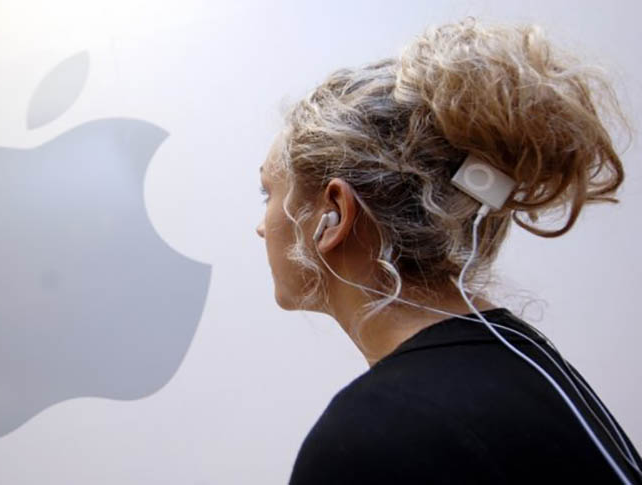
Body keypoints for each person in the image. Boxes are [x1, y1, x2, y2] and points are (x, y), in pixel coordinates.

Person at [255, 18, 641, 484]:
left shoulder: (376, 435)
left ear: (334, 212)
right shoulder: (521, 358)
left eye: (267, 193)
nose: (261, 227)